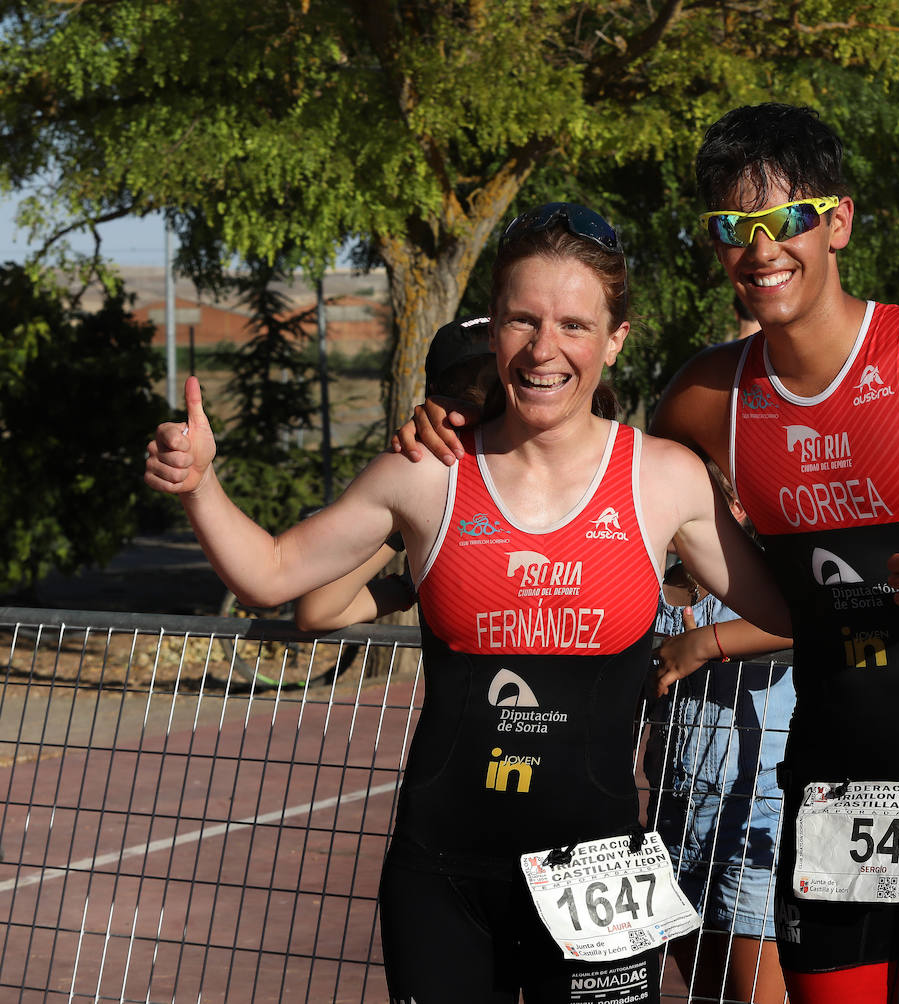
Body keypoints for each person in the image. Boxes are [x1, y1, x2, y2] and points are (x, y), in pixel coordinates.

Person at [391, 106, 899, 1003]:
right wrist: (465, 425)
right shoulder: (708, 397)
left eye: (784, 219)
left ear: (838, 222)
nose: (759, 250)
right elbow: (587, 475)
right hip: (831, 782)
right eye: (730, 229)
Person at [144, 202, 791, 1004]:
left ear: (616, 340)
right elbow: (271, 574)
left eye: (574, 325)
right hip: (443, 879)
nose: (545, 348)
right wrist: (201, 484)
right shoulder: (429, 472)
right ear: (495, 331)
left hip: (601, 880)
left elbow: (796, 609)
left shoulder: (664, 479)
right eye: (523, 320)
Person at [646, 463, 793, 1004]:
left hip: (757, 809)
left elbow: (810, 619)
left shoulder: (767, 585)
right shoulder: (652, 588)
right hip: (674, 809)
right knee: (701, 987)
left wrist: (705, 642)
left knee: (753, 985)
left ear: (739, 512)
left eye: (712, 505)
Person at [294, 315, 493, 632]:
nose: (483, 405)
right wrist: (411, 583)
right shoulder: (433, 480)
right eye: (473, 387)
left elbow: (317, 610)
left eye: (498, 385)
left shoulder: (585, 459)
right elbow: (318, 611)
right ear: (435, 399)